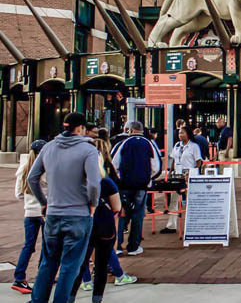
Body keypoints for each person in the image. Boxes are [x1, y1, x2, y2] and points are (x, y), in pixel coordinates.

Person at [27, 112, 101, 303]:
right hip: (78, 214)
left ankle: (38, 300)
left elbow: (32, 178)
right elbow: (94, 183)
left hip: (53, 213)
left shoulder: (49, 147)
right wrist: (93, 203)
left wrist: (44, 202)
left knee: (48, 263)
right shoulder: (88, 149)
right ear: (81, 128)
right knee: (70, 266)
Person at [68, 156, 121, 303]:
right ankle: (97, 298)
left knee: (79, 263)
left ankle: (71, 296)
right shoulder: (106, 183)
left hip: (83, 225)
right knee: (102, 264)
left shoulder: (75, 183)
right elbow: (117, 207)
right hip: (104, 226)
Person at [112, 120, 160, 256]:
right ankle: (134, 246)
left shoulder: (122, 144)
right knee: (138, 215)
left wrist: (120, 179)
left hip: (124, 186)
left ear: (129, 130)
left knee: (121, 214)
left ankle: (118, 245)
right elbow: (156, 166)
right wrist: (148, 179)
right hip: (142, 186)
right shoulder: (149, 144)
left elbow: (114, 163)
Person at [11, 139, 47, 294]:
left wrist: (29, 201)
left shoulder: (23, 169)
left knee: (28, 246)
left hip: (30, 212)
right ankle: (44, 276)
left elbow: (18, 194)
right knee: (48, 246)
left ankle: (19, 278)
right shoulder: (46, 169)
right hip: (46, 212)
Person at [162, 125, 202, 234]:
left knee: (191, 200)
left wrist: (192, 172)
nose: (180, 135)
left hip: (189, 175)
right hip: (177, 176)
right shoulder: (177, 146)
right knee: (174, 199)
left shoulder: (194, 147)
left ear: (188, 134)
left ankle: (193, 224)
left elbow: (199, 161)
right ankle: (171, 225)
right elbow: (174, 160)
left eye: (182, 133)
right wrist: (170, 173)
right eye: (179, 133)